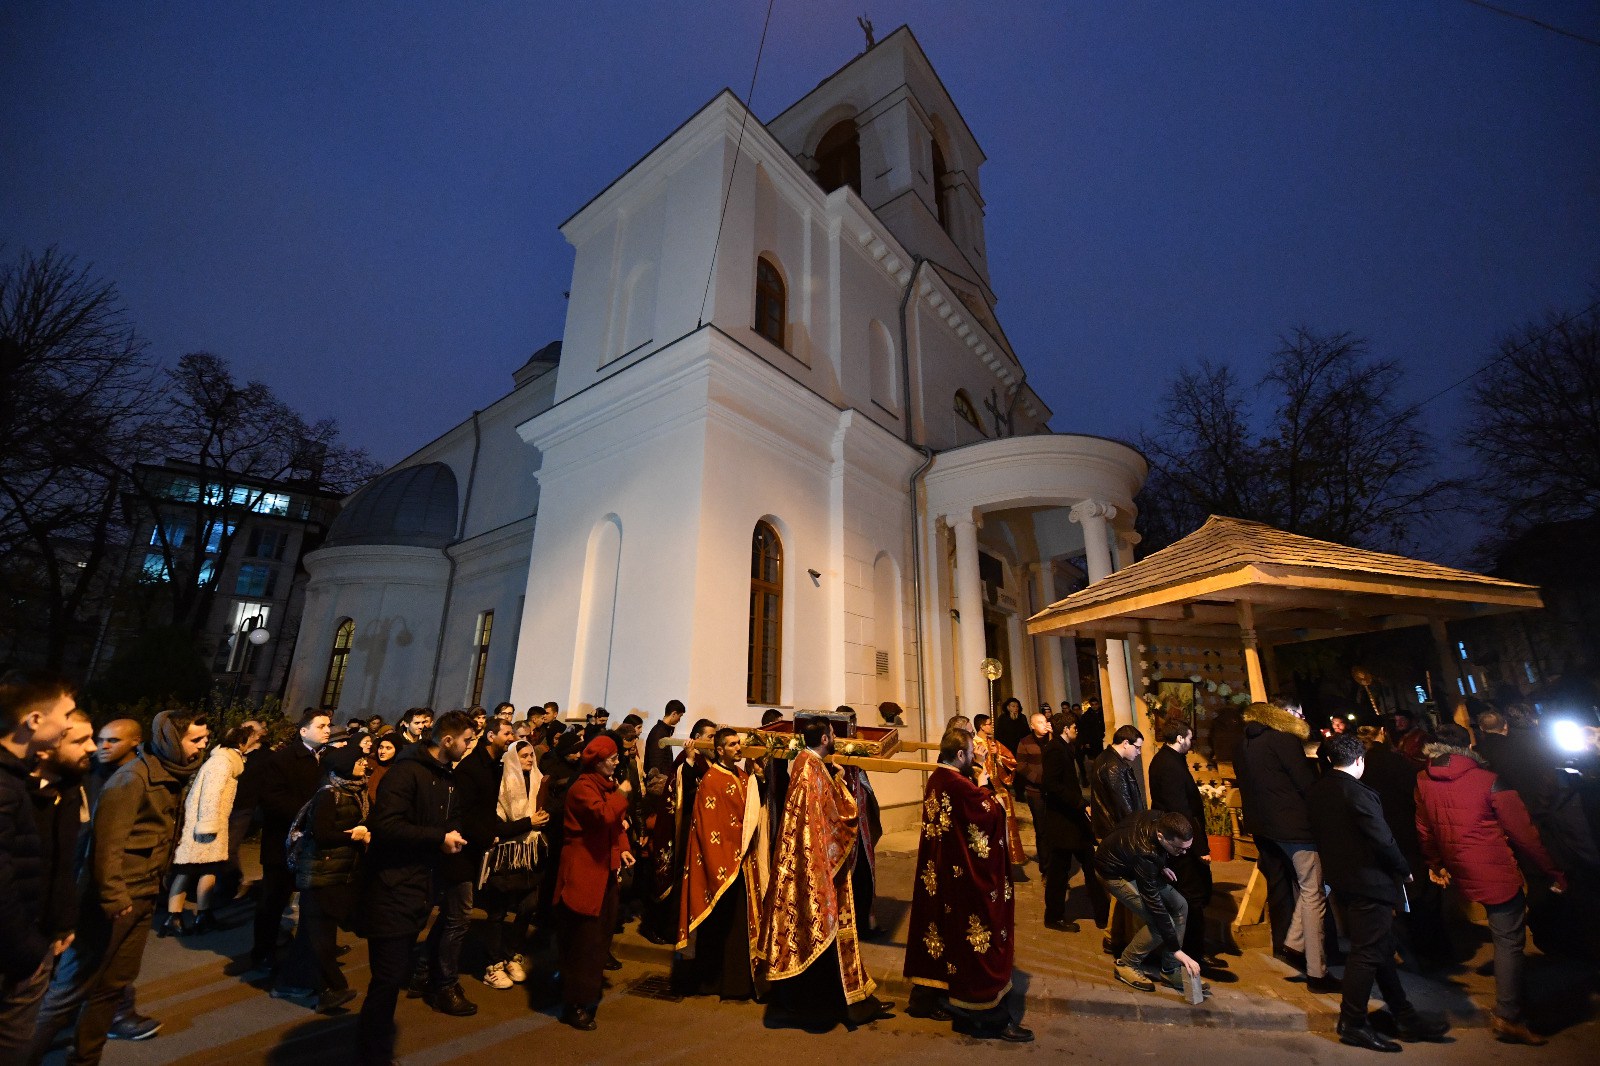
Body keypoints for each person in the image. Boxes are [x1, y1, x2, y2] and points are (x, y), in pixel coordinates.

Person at [30, 708, 209, 1066]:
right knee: (70, 989)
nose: (203, 746)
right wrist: (113, 896)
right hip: (114, 902)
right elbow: (105, 846)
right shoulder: (133, 779)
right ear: (172, 740)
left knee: (112, 986)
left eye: (205, 738)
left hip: (142, 896)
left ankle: (84, 1059)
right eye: (195, 739)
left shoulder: (167, 775)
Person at [1415, 723, 1564, 1046]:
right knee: (1509, 940)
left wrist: (1436, 863)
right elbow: (1525, 835)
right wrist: (1553, 870)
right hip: (1494, 870)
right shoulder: (1489, 781)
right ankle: (1508, 1016)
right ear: (1468, 745)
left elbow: (1424, 827)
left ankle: (1516, 1000)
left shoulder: (1424, 779)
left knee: (1504, 938)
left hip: (1459, 865)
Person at [1308, 734, 1449, 1051]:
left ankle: (1404, 1016)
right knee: (1367, 953)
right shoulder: (1355, 793)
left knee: (1380, 949)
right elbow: (1382, 838)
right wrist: (1403, 867)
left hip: (1345, 881)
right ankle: (1353, 1022)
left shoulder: (1319, 789)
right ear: (1359, 761)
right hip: (1370, 882)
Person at [757, 717, 890, 1030]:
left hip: (813, 865)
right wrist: (843, 786)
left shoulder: (807, 765)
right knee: (819, 934)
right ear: (828, 739)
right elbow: (836, 818)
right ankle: (824, 1005)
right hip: (816, 871)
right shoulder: (810, 771)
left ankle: (849, 1001)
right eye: (833, 734)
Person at [356, 709, 473, 1065]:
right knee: (388, 976)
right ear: (447, 740)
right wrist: (438, 836)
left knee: (393, 974)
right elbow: (386, 825)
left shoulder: (446, 778)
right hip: (391, 886)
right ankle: (372, 1052)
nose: (471, 746)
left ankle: (375, 1046)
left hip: (420, 886)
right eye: (468, 740)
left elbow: (443, 821)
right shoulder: (407, 772)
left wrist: (448, 839)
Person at [903, 726, 1032, 1042]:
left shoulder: (937, 778)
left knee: (944, 937)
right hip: (965, 882)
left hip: (943, 876)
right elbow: (990, 812)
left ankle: (933, 998)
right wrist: (987, 782)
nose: (975, 758)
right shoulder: (960, 787)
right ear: (960, 755)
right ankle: (987, 1017)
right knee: (976, 941)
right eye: (972, 755)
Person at [0, 674, 80, 1058]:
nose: (68, 724)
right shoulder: (5, 785)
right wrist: (30, 951)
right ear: (34, 720)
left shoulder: (15, 779)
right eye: (65, 715)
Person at [1235, 700, 1336, 992]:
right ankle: (1317, 971)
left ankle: (1290, 942)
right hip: (1294, 828)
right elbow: (1305, 782)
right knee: (1313, 890)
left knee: (1288, 888)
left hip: (1262, 828)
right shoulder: (1283, 739)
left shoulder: (1242, 744)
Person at [433, 715, 527, 1006]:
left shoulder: (491, 767)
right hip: (460, 851)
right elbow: (466, 813)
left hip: (473, 850)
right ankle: (445, 985)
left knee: (451, 919)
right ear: (491, 736)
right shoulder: (472, 769)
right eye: (507, 733)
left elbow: (485, 811)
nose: (511, 738)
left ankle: (425, 972)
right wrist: (487, 835)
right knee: (458, 920)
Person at [274, 743, 370, 1013]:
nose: (364, 764)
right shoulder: (329, 795)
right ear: (344, 764)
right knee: (321, 935)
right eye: (359, 760)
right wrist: (355, 835)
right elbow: (321, 833)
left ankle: (290, 982)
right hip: (320, 873)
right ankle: (331, 988)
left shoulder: (355, 791)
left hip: (337, 872)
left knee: (310, 933)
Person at [674, 727, 764, 999]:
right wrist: (726, 862)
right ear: (720, 749)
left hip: (741, 863)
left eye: (740, 743)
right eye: (733, 744)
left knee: (739, 927)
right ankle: (718, 983)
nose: (739, 748)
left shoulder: (742, 776)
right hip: (723, 867)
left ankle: (740, 983)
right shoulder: (711, 780)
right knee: (721, 928)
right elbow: (708, 827)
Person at [554, 735, 634, 1030]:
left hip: (603, 869)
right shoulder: (582, 789)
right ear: (597, 762)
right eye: (612, 758)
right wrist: (622, 795)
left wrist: (623, 848)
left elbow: (616, 823)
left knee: (598, 936)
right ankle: (573, 1003)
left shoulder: (604, 786)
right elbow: (603, 816)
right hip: (585, 871)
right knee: (583, 939)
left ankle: (583, 990)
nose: (616, 762)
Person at [249, 709, 331, 975]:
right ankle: (262, 951)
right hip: (281, 843)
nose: (327, 730)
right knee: (272, 900)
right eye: (321, 726)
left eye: (328, 725)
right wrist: (307, 815)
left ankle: (301, 948)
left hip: (310, 844)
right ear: (303, 731)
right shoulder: (282, 759)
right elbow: (272, 798)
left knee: (307, 899)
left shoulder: (326, 759)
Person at [1148, 720, 1230, 980]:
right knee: (1191, 898)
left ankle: (1191, 948)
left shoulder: (1166, 759)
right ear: (1181, 738)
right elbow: (1181, 808)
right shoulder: (1168, 765)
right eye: (1190, 738)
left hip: (1180, 841)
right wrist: (1199, 847)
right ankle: (1193, 951)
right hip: (1181, 844)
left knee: (1191, 897)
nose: (1191, 742)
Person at [1094, 810, 1205, 997]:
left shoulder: (1159, 819)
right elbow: (1155, 906)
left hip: (1136, 863)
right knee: (1158, 924)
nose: (1183, 853)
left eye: (1187, 848)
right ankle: (1126, 963)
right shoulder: (1146, 854)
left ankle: (1170, 970)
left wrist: (1162, 865)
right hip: (1114, 873)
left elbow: (1152, 852)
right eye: (1179, 849)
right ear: (1161, 837)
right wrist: (1178, 950)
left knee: (1181, 905)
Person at [165, 724, 256, 937]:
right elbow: (210, 794)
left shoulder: (225, 760)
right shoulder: (222, 763)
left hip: (210, 824)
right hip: (205, 826)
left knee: (203, 870)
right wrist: (209, 825)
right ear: (241, 744)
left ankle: (198, 915)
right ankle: (176, 916)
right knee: (189, 870)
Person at [478, 739, 549, 989]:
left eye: (532, 755)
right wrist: (529, 823)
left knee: (527, 907)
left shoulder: (539, 781)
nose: (530, 759)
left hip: (530, 854)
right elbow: (496, 826)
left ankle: (512, 954)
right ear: (512, 759)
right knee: (497, 912)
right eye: (524, 755)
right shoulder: (502, 785)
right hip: (506, 855)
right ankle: (493, 963)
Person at [1039, 711, 1107, 932]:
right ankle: (1055, 916)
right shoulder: (1054, 750)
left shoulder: (1064, 748)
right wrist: (1079, 803)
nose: (1077, 730)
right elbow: (1051, 784)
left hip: (1072, 821)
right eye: (1074, 727)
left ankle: (1102, 913)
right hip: (1063, 822)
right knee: (1060, 870)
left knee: (1088, 864)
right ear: (1065, 729)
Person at [973, 714, 1028, 881]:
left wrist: (998, 755)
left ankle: (1004, 864)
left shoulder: (994, 743)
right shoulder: (973, 744)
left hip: (999, 791)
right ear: (982, 726)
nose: (991, 727)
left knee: (1004, 830)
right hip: (983, 790)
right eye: (989, 724)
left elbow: (1011, 761)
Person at [1089, 725, 1145, 839]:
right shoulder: (1113, 766)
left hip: (1111, 828)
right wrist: (1135, 831)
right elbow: (1123, 804)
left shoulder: (1105, 757)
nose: (1139, 752)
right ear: (1125, 743)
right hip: (1116, 830)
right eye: (1137, 747)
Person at [1013, 710, 1051, 861]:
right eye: (1039, 722)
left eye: (1045, 721)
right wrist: (1039, 779)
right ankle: (1046, 867)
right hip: (1035, 791)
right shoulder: (1025, 742)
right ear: (1032, 725)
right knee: (1041, 829)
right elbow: (1021, 766)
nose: (1044, 725)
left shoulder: (1053, 740)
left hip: (1054, 791)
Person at [85, 719, 141, 806]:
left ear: (135, 741)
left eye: (113, 740)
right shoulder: (86, 774)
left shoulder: (148, 775)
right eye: (100, 741)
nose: (104, 746)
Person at [644, 700, 684, 778]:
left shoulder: (663, 731)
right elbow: (656, 763)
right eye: (680, 716)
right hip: (659, 782)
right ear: (674, 714)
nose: (679, 720)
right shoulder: (658, 733)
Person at [367, 731, 398, 803]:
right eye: (381, 747)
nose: (382, 751)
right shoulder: (369, 764)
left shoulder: (400, 770)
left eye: (388, 748)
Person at [994, 697, 1028, 761]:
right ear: (1008, 707)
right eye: (1013, 706)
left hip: (1021, 746)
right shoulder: (1002, 718)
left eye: (1017, 706)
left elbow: (1026, 732)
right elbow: (999, 734)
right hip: (1007, 747)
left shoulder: (1022, 717)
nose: (1015, 708)